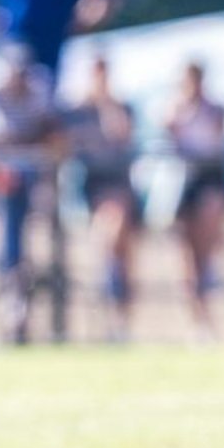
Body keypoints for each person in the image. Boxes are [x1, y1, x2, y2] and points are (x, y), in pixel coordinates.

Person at [0, 42, 60, 344]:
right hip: (2, 183)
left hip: (36, 182)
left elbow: (51, 133)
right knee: (10, 236)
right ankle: (13, 289)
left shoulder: (38, 91)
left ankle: (21, 286)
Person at [61, 56, 139, 341]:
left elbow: (122, 135)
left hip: (120, 188)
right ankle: (107, 313)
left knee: (124, 255)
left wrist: (107, 104)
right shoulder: (77, 112)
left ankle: (121, 321)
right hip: (90, 190)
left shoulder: (121, 107)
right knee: (106, 248)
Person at [164, 61, 224, 337]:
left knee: (205, 244)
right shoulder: (175, 108)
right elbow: (169, 131)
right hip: (183, 181)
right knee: (185, 252)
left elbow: (215, 139)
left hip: (208, 178)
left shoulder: (215, 109)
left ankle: (207, 296)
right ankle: (197, 319)